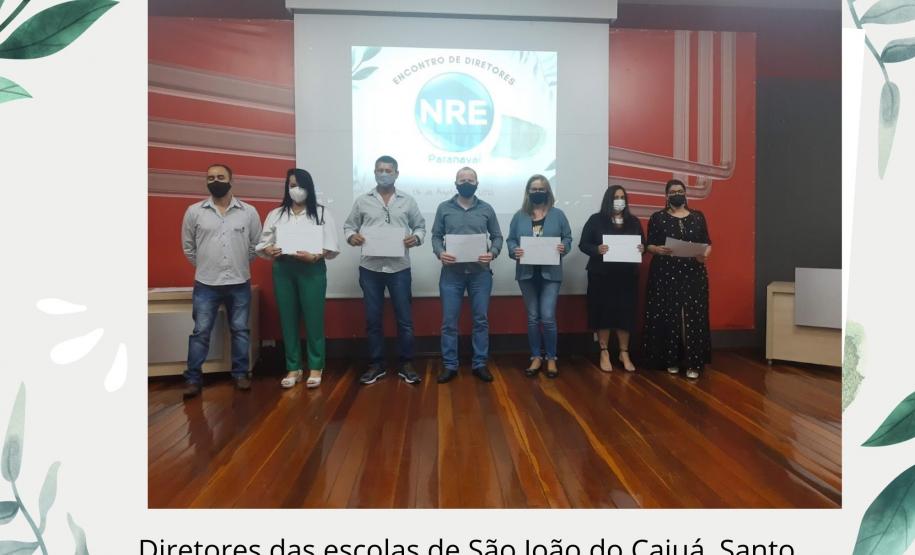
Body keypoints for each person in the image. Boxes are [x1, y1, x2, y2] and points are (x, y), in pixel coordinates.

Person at [180, 163, 263, 398]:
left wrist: (238, 264)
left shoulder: (248, 212)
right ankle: (193, 379)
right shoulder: (194, 211)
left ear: (231, 180)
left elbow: (255, 246)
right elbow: (188, 247)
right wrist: (207, 265)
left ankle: (240, 374)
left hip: (239, 281)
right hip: (206, 283)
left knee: (240, 330)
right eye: (210, 177)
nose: (215, 180)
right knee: (201, 332)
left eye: (220, 176)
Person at [343, 155, 426, 385]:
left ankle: (406, 364)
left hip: (400, 267)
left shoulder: (408, 201)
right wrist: (352, 237)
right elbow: (349, 226)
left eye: (388, 170)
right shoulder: (362, 201)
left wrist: (416, 238)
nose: (384, 173)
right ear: (374, 172)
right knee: (372, 318)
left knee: (405, 319)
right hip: (370, 268)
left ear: (397, 173)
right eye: (380, 170)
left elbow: (420, 226)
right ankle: (376, 364)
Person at [256, 169, 339, 389]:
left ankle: (315, 366)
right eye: (292, 185)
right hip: (284, 269)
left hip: (311, 268)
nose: (296, 190)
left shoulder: (321, 213)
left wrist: (316, 255)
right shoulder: (276, 214)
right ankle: (293, 368)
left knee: (314, 319)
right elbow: (263, 244)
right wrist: (270, 249)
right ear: (287, 187)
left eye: (300, 185)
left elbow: (331, 246)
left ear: (309, 188)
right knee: (288, 319)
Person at [431, 167, 503, 383]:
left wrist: (493, 253)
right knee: (449, 322)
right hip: (451, 274)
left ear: (477, 183)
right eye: (462, 179)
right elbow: (435, 236)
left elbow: (498, 237)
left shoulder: (487, 209)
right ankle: (450, 365)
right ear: (455, 183)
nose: (466, 182)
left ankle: (480, 363)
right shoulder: (444, 208)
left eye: (470, 179)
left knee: (480, 320)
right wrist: (440, 253)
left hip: (480, 275)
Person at [643, 179, 713, 379]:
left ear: (685, 193)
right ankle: (670, 359)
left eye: (680, 191)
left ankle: (694, 362)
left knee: (692, 316)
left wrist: (705, 254)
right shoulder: (657, 218)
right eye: (673, 192)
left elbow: (707, 243)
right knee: (670, 315)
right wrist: (658, 249)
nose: (677, 194)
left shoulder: (698, 217)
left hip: (693, 273)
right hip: (665, 273)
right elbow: (649, 245)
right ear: (666, 196)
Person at [506, 175, 572, 378]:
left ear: (547, 191)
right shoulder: (519, 216)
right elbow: (510, 241)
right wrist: (514, 250)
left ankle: (551, 358)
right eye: (533, 189)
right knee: (533, 317)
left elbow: (568, 237)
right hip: (526, 273)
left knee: (548, 316)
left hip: (551, 273)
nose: (537, 192)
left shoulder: (558, 215)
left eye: (541, 188)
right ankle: (536, 356)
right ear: (528, 192)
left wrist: (564, 247)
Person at [579, 186, 645, 372]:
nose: (619, 200)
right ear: (609, 199)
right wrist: (597, 249)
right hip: (602, 275)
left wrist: (642, 248)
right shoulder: (596, 220)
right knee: (603, 312)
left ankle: (624, 352)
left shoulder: (633, 221)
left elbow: (643, 243)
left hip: (626, 276)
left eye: (622, 197)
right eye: (616, 197)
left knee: (626, 312)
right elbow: (583, 244)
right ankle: (604, 351)